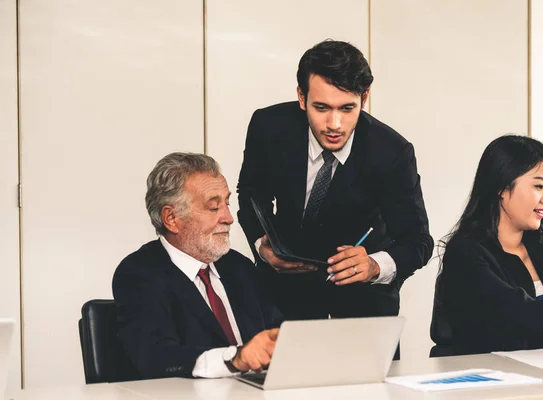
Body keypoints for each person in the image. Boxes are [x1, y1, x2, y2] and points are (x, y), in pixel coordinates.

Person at [237, 39, 433, 324]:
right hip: (283, 296)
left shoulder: (392, 152)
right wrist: (261, 247)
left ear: (364, 98)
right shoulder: (268, 126)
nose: (334, 124)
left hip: (363, 305)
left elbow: (418, 240)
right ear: (301, 98)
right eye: (321, 108)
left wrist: (375, 265)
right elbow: (251, 193)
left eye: (347, 108)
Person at [113, 153, 283, 379]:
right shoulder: (138, 274)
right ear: (171, 218)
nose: (229, 218)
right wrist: (235, 359)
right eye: (214, 208)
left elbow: (279, 334)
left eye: (227, 203)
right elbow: (155, 356)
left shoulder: (238, 266)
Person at [431, 135, 543, 356]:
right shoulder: (465, 252)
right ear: (501, 187)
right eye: (539, 186)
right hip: (486, 383)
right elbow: (523, 312)